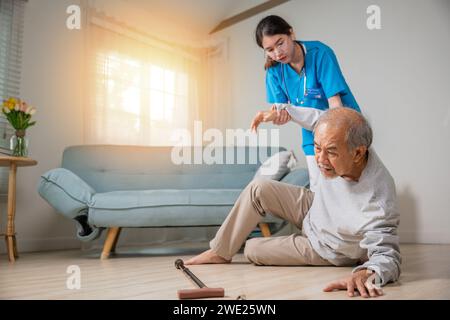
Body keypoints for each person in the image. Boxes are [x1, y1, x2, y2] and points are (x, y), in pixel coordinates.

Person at [186, 107, 401, 298]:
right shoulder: (331, 130)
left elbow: (387, 256)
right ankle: (220, 251)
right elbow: (311, 116)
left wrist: (367, 273)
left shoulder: (378, 199)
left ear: (358, 153)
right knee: (258, 187)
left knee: (251, 249)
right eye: (318, 148)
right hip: (314, 207)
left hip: (327, 246)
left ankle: (349, 256)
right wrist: (278, 112)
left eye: (331, 152)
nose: (321, 159)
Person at [256, 15, 360, 191]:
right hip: (313, 138)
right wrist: (276, 116)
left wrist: (336, 144)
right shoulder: (274, 71)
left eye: (280, 43)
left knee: (351, 192)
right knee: (320, 195)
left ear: (291, 33)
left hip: (345, 130)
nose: (277, 53)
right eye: (270, 49)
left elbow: (336, 104)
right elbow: (282, 110)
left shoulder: (320, 53)